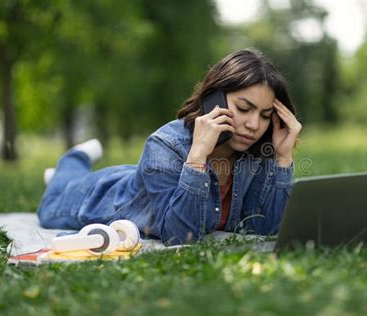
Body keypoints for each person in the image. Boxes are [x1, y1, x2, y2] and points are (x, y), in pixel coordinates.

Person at [37, 48, 302, 245]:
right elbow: (181, 235)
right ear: (214, 99)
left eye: (266, 115)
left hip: (145, 178)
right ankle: (74, 158)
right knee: (54, 200)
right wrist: (198, 156)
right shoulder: (166, 145)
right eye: (244, 108)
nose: (255, 125)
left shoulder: (257, 150)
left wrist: (283, 159)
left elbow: (266, 228)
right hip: (98, 197)